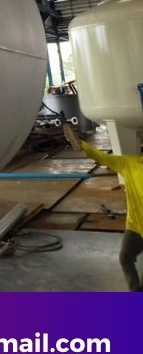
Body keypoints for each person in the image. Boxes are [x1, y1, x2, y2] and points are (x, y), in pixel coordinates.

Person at [64, 125, 143, 291]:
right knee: (125, 257)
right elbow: (103, 158)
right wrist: (81, 144)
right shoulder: (130, 164)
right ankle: (136, 293)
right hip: (135, 225)